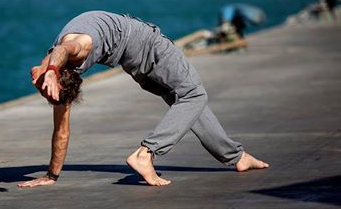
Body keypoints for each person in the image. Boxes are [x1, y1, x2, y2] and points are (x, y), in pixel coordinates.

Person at [17, 11, 269, 188]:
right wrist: (51, 175)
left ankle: (236, 157)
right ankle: (146, 153)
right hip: (146, 46)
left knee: (183, 99)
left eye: (41, 87)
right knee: (194, 94)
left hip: (133, 59)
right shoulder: (75, 49)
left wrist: (51, 176)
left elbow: (61, 127)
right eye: (42, 88)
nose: (36, 84)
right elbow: (61, 131)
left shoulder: (57, 66)